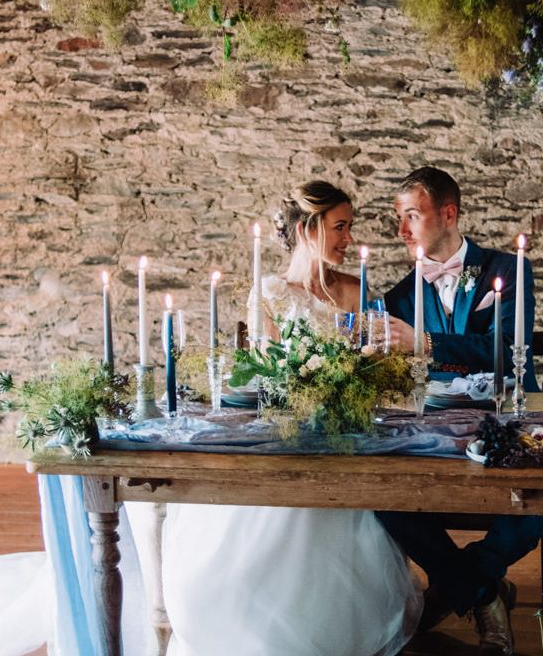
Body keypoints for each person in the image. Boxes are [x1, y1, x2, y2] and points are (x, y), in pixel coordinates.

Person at [154, 180, 422, 656]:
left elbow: (372, 366)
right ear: (306, 230)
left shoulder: (356, 290)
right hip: (285, 434)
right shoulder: (270, 292)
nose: (348, 238)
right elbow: (265, 376)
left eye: (349, 227)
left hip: (343, 435)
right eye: (339, 227)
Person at [377, 166, 543, 656]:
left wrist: (425, 343)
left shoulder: (508, 270)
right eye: (399, 218)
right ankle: (484, 593)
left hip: (510, 424)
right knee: (382, 498)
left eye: (412, 215)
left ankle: (455, 587)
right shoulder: (400, 295)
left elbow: (507, 348)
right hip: (435, 432)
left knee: (537, 505)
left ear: (448, 214)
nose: (402, 230)